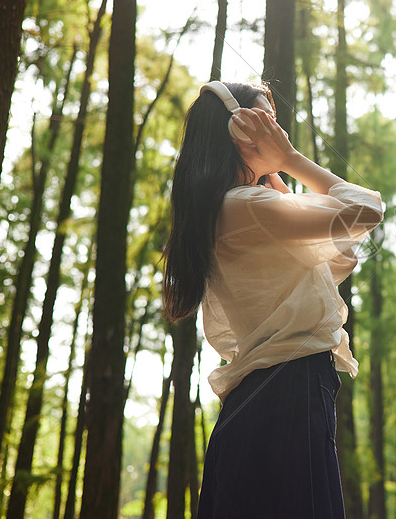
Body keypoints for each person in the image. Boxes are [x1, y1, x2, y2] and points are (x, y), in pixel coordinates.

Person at [162, 81, 384, 518]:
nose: (279, 135)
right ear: (240, 131)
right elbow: (366, 210)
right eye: (269, 124)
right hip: (291, 392)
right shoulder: (245, 209)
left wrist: (274, 174)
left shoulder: (235, 209)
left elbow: (340, 258)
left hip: (264, 397)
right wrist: (290, 160)